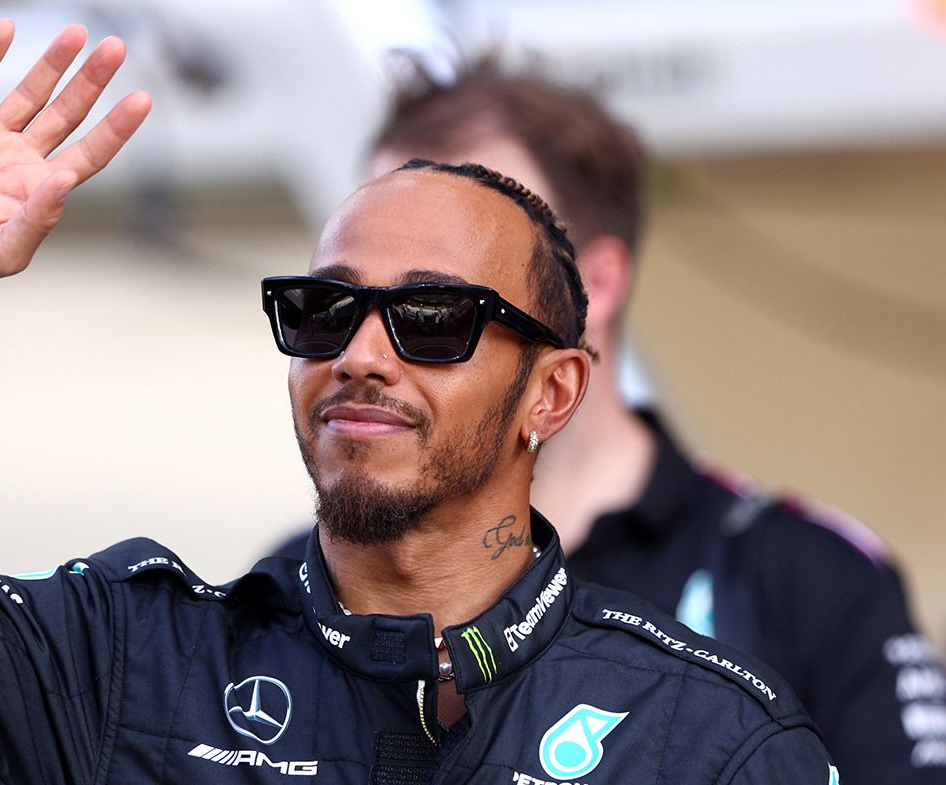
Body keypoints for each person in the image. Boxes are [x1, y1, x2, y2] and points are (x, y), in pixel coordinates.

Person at [0, 21, 838, 783]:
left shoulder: (709, 739)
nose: (364, 353)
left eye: (432, 318)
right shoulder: (123, 666)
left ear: (553, 388)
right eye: (321, 313)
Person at [271, 59, 946, 781]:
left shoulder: (808, 575)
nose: (369, 349)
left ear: (591, 284)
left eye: (438, 297)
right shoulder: (286, 580)